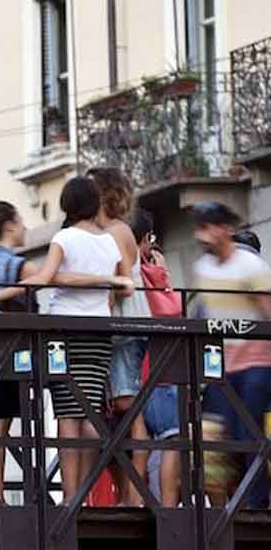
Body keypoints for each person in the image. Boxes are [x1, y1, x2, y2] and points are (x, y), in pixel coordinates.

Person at [0, 200, 130, 502]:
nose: (27, 227)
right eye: (21, 221)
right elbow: (45, 279)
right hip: (5, 354)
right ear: (9, 226)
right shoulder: (18, 265)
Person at [193, 202, 271, 510]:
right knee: (221, 430)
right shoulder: (203, 269)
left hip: (257, 361)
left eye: (207, 227)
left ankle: (254, 502)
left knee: (247, 428)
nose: (202, 235)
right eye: (199, 227)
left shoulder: (251, 267)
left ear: (224, 229)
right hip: (225, 362)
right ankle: (239, 502)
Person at [87, 167, 152, 506]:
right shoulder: (110, 231)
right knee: (118, 409)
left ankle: (134, 496)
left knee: (128, 407)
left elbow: (122, 283)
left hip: (125, 328)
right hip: (121, 328)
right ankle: (127, 493)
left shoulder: (116, 231)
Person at [132, 209, 182, 507]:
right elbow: (171, 310)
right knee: (173, 442)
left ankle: (136, 505)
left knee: (140, 448)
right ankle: (168, 511)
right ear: (144, 239)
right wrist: (165, 277)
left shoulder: (126, 269)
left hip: (139, 375)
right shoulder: (147, 272)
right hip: (161, 373)